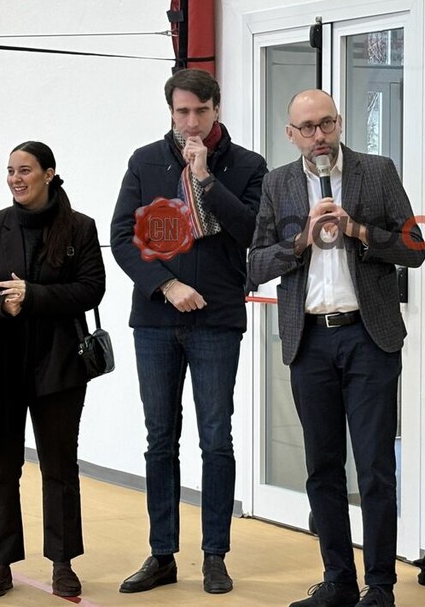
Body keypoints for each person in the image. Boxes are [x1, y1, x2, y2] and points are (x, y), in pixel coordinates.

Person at [248, 89, 425, 607]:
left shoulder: (377, 171)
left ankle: (381, 586)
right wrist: (301, 240)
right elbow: (255, 264)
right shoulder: (279, 183)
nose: (318, 136)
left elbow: (414, 248)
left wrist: (357, 230)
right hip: (310, 342)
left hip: (368, 336)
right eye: (307, 127)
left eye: (326, 123)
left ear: (340, 123)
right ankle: (338, 582)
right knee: (322, 469)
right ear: (291, 135)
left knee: (374, 468)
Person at [110, 68, 267, 595]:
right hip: (156, 320)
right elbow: (122, 237)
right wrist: (166, 284)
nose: (192, 122)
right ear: (171, 113)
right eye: (183, 112)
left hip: (217, 320)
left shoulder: (247, 165)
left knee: (216, 438)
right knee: (160, 439)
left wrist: (205, 180)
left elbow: (251, 231)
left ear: (216, 108)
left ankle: (214, 555)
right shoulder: (145, 161)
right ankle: (162, 554)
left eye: (201, 111)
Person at [0, 141, 105, 599]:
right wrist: (3, 305)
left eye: (25, 170)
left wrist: (33, 296)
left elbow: (91, 289)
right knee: (0, 469)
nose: (16, 178)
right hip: (0, 368)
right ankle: (0, 563)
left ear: (49, 174)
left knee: (59, 467)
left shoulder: (80, 227)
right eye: (11, 170)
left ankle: (63, 562)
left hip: (60, 366)